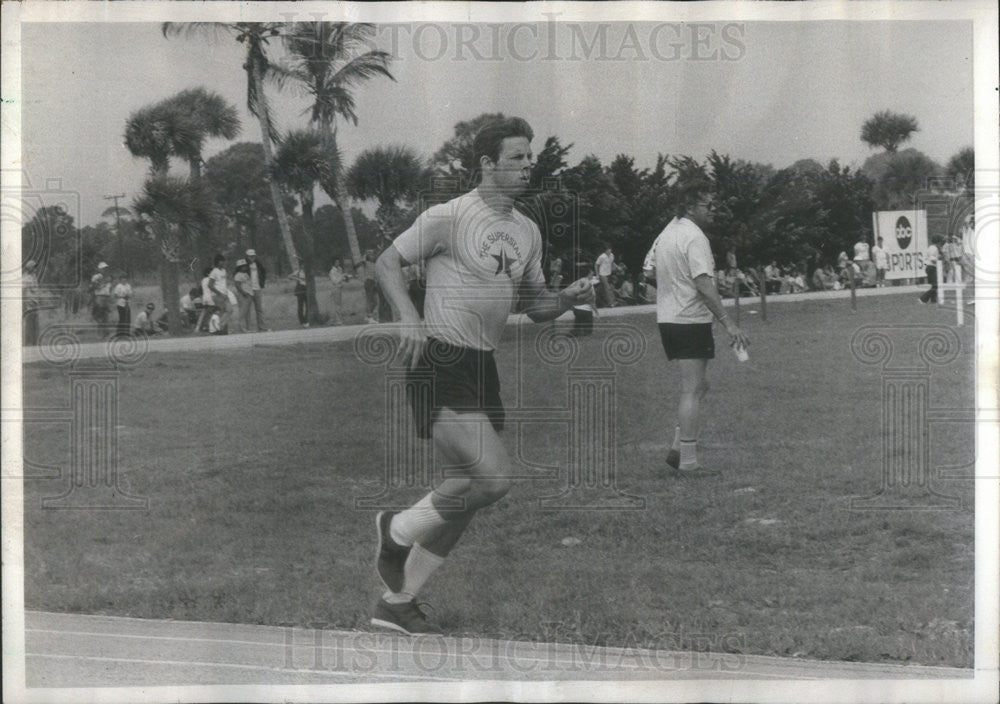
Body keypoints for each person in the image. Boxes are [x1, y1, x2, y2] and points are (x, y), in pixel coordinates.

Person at [372, 117, 595, 635]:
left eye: (529, 157)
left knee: (462, 496)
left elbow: (536, 306)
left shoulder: (527, 230)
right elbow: (386, 263)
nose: (526, 166)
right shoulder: (449, 216)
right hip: (440, 359)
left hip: (483, 365)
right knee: (493, 479)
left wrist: (570, 297)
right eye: (516, 157)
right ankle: (396, 528)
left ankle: (396, 601)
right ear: (487, 164)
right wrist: (408, 316)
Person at [643, 187, 749, 478]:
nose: (713, 209)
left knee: (700, 386)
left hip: (669, 318)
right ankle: (688, 462)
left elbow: (648, 271)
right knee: (691, 389)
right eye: (709, 204)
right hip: (689, 319)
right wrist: (729, 323)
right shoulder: (695, 236)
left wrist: (673, 283)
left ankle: (679, 449)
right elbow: (703, 283)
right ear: (690, 206)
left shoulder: (666, 233)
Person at [245, 249, 269, 331]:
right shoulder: (244, 265)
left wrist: (262, 283)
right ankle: (247, 328)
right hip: (248, 289)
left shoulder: (258, 264)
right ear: (247, 256)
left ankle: (262, 327)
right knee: (247, 309)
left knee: (259, 309)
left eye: (253, 256)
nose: (252, 258)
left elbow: (263, 272)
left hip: (257, 288)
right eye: (250, 256)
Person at [208, 254, 232, 332]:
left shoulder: (224, 271)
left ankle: (220, 328)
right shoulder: (214, 272)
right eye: (222, 261)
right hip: (217, 295)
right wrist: (219, 293)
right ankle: (219, 327)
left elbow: (224, 283)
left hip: (224, 294)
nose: (224, 263)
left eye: (224, 261)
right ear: (218, 262)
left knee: (228, 310)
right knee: (225, 310)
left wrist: (226, 293)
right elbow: (210, 285)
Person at [231, 259, 254, 333]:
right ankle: (238, 327)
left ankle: (248, 328)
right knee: (243, 312)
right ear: (239, 267)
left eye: (245, 266)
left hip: (249, 293)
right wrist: (244, 293)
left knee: (248, 312)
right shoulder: (238, 275)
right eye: (242, 266)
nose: (244, 267)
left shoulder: (246, 274)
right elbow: (237, 286)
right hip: (243, 295)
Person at [358, 249, 380, 324]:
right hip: (369, 281)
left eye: (372, 254)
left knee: (375, 301)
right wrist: (366, 253)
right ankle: (369, 316)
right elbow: (362, 261)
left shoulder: (374, 264)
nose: (372, 256)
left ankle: (368, 316)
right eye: (370, 254)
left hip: (373, 282)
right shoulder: (366, 263)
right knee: (370, 299)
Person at [22, 259, 41, 346]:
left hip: (34, 305)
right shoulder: (26, 279)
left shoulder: (34, 278)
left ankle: (34, 345)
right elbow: (23, 292)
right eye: (34, 268)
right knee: (29, 326)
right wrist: (25, 304)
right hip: (29, 305)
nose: (35, 269)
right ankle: (28, 345)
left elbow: (36, 292)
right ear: (30, 269)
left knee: (35, 326)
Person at [90, 261, 112, 330]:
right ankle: (101, 328)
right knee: (98, 314)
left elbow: (109, 287)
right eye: (103, 268)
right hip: (99, 296)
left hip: (106, 296)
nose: (104, 270)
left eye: (105, 268)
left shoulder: (108, 277)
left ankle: (105, 330)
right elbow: (94, 286)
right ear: (99, 269)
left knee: (105, 314)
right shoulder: (96, 277)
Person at [920, 236, 942, 304]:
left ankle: (933, 300)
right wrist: (938, 260)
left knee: (934, 285)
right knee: (935, 285)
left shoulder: (930, 247)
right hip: (931, 267)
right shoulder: (934, 248)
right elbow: (932, 259)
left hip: (929, 267)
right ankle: (923, 298)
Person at [112, 272, 133, 337]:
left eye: (125, 279)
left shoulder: (128, 286)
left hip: (127, 303)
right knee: (122, 318)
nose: (124, 280)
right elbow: (115, 295)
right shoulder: (118, 286)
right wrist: (122, 296)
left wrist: (128, 296)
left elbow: (131, 294)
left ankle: (127, 333)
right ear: (120, 279)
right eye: (123, 279)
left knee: (128, 318)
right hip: (121, 303)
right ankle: (120, 333)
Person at [328, 258, 346, 325]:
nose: (338, 263)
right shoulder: (332, 271)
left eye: (338, 262)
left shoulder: (339, 269)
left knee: (339, 304)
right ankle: (338, 321)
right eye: (336, 262)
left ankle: (338, 319)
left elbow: (340, 278)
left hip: (339, 288)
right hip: (335, 288)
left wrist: (344, 277)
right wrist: (342, 276)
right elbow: (335, 281)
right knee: (337, 305)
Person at [197, 268, 215, 332]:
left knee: (205, 313)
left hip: (205, 298)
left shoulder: (203, 280)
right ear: (208, 273)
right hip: (211, 298)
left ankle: (200, 327)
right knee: (211, 312)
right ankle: (207, 326)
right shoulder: (211, 280)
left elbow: (200, 289)